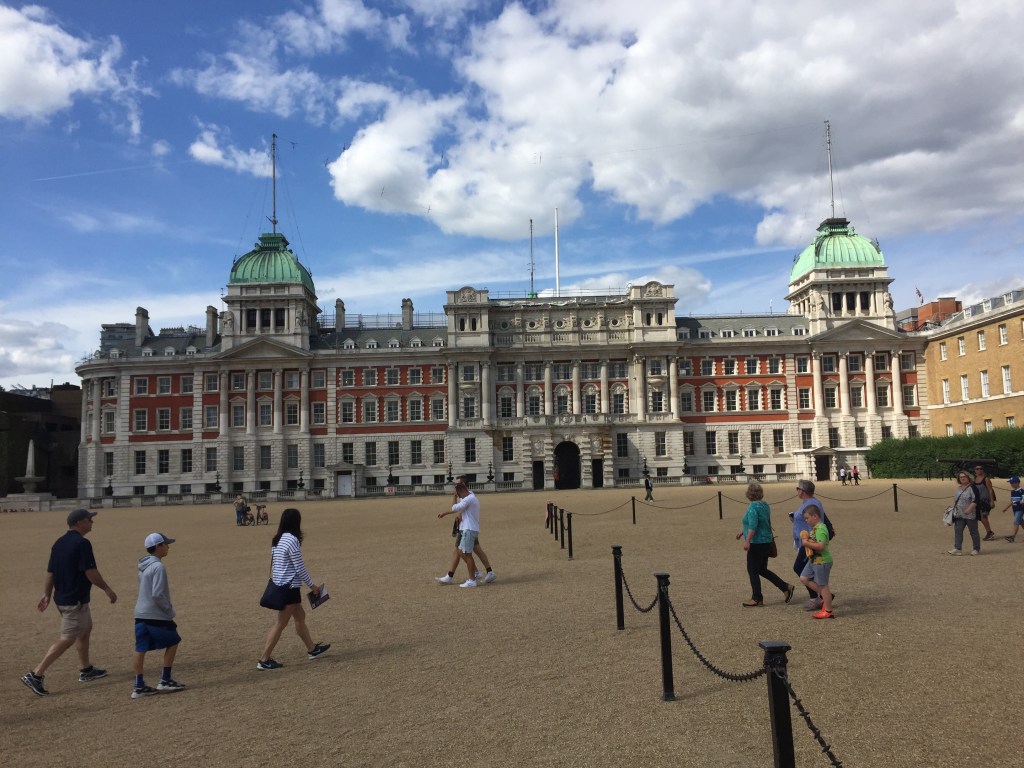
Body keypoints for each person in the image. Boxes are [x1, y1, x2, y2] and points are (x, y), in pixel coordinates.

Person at [21, 509, 117, 697]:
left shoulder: (59, 543)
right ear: (79, 522)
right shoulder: (82, 543)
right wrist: (107, 589)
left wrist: (47, 594)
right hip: (74, 600)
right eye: (90, 519)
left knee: (85, 628)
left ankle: (86, 669)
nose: (92, 522)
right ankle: (36, 674)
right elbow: (91, 572)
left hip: (64, 597)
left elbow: (51, 573)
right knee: (67, 638)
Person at [257, 508, 330, 670]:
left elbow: (278, 565)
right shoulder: (292, 540)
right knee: (281, 624)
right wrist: (313, 585)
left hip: (283, 584)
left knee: (300, 616)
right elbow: (299, 567)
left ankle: (312, 649)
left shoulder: (278, 539)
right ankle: (264, 659)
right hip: (289, 587)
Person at [131, 533, 185, 698]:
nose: (168, 547)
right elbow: (157, 594)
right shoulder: (158, 567)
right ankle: (165, 680)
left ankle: (138, 686)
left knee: (140, 648)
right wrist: (169, 611)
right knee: (174, 640)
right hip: (155, 614)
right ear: (159, 546)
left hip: (140, 613)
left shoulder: (144, 566)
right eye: (166, 544)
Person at [736, 482, 794, 607]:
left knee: (752, 570)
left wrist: (747, 541)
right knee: (761, 569)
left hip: (756, 543)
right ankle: (785, 587)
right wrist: (742, 532)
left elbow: (753, 526)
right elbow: (761, 522)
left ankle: (757, 597)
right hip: (766, 541)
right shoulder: (765, 505)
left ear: (749, 494)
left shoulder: (752, 507)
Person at [436, 476, 496, 586]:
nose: (455, 487)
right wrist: (456, 515)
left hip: (467, 528)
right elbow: (460, 509)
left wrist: (448, 511)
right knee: (473, 550)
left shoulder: (467, 496)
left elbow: (457, 508)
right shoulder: (466, 495)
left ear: (463, 485)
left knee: (462, 552)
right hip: (465, 527)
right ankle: (487, 572)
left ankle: (472, 575)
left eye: (457, 485)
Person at [790, 480, 834, 611]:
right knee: (804, 571)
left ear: (803, 491)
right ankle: (822, 597)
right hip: (806, 541)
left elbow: (820, 519)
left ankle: (818, 597)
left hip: (810, 542)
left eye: (797, 488)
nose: (796, 490)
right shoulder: (807, 503)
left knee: (799, 568)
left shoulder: (813, 503)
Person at [798, 505, 835, 619]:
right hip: (814, 560)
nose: (806, 520)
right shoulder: (815, 528)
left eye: (807, 518)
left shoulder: (821, 529)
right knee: (804, 578)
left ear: (815, 516)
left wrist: (806, 543)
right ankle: (827, 596)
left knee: (823, 585)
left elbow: (821, 546)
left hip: (822, 561)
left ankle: (828, 611)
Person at [949, 470, 981, 555]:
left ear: (968, 477)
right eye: (961, 477)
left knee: (973, 532)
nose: (962, 478)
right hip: (959, 514)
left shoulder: (973, 487)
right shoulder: (958, 488)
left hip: (971, 514)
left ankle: (976, 548)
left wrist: (969, 509)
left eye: (964, 477)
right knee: (958, 531)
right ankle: (957, 548)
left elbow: (976, 500)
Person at [973, 465, 997, 541]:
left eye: (981, 469)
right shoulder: (974, 480)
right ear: (975, 470)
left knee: (983, 516)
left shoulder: (986, 479)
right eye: (977, 469)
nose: (979, 470)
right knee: (980, 517)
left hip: (985, 501)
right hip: (978, 501)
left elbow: (990, 490)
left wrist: (992, 501)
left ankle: (989, 533)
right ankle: (989, 532)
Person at [1002, 476, 1023, 542]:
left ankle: (1012, 537)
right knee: (1021, 522)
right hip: (1015, 509)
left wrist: (1021, 502)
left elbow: (1023, 500)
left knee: (1016, 522)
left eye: (1012, 483)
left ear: (1017, 483)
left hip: (1020, 509)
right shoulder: (1012, 492)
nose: (1011, 484)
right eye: (1010, 483)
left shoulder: (1022, 491)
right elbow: (1012, 501)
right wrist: (1006, 508)